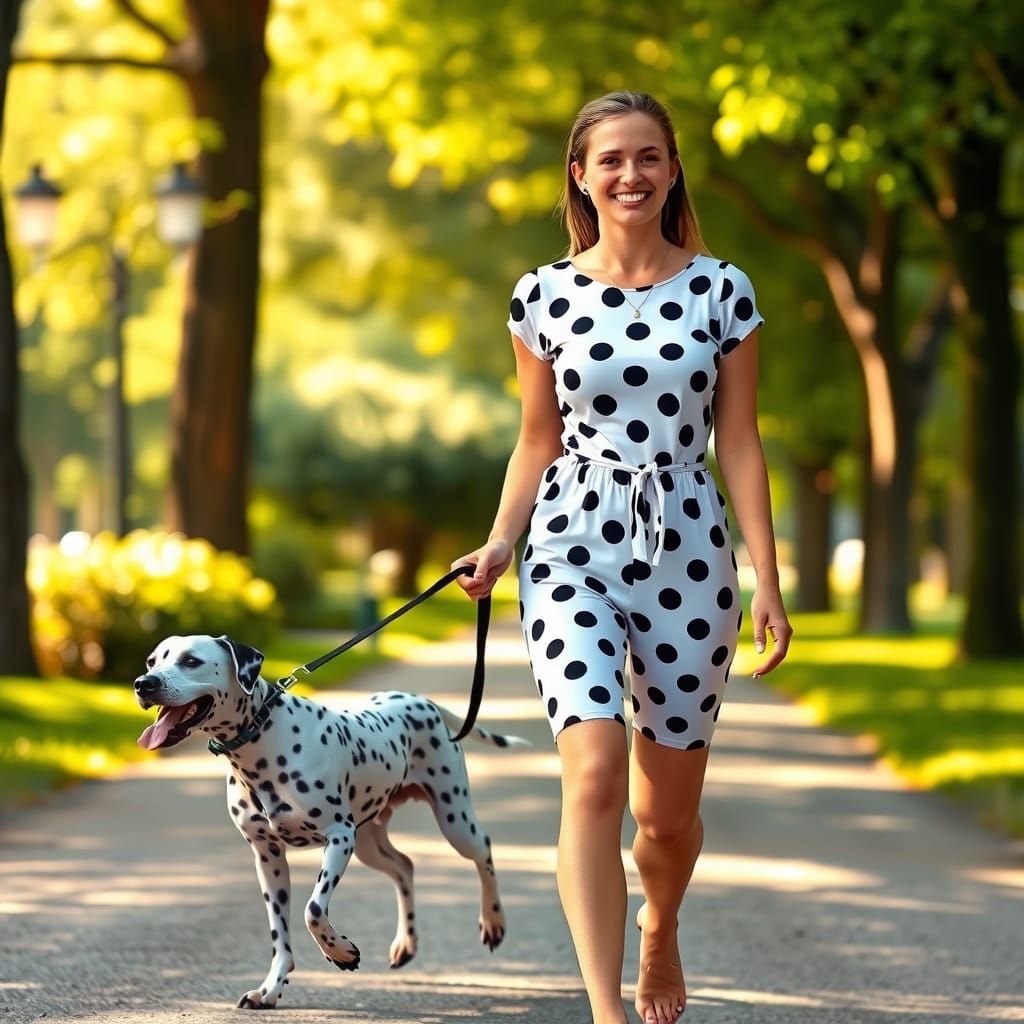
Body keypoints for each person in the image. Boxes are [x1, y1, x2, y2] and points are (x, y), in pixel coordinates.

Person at [452, 90, 792, 1024]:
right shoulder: (541, 294)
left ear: (672, 168)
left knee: (665, 819)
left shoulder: (724, 289)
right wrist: (501, 540)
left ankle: (661, 924)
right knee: (594, 771)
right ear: (581, 175)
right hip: (571, 545)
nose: (630, 175)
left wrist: (765, 577)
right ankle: (604, 1012)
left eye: (648, 157)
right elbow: (535, 440)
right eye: (611, 160)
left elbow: (743, 443)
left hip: (689, 544)